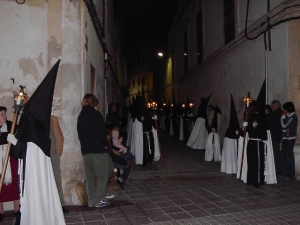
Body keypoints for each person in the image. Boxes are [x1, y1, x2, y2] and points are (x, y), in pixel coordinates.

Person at [7, 60, 66, 224]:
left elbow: (25, 150)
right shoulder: (37, 127)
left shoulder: (33, 129)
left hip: (33, 176)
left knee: (36, 197)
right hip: (30, 173)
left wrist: (15, 142)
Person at [77, 94, 113, 208]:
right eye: (97, 103)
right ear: (94, 103)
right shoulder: (95, 115)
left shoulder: (81, 116)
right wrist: (105, 145)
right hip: (97, 150)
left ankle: (92, 199)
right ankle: (99, 200)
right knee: (102, 174)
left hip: (86, 151)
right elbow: (102, 133)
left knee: (90, 176)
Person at [0, 106, 20, 224]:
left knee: (13, 186)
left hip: (10, 160)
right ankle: (1, 211)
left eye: (4, 114)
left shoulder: (11, 125)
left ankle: (17, 210)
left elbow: (17, 138)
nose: (4, 116)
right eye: (2, 114)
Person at [50, 115, 69, 214]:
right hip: (41, 156)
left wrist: (58, 150)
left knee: (57, 179)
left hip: (53, 154)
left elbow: (59, 135)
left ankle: (60, 204)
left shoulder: (53, 119)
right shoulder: (36, 120)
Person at [106, 124, 133, 190]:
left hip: (115, 157)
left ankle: (121, 178)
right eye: (110, 134)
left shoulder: (109, 142)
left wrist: (117, 152)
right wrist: (125, 163)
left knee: (129, 155)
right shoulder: (105, 144)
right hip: (112, 162)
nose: (111, 136)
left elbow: (113, 151)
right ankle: (121, 178)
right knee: (127, 161)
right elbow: (113, 156)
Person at [280, 101, 298, 181]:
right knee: (283, 157)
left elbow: (284, 126)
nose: (284, 111)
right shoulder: (288, 116)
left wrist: (282, 118)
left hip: (290, 139)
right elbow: (284, 129)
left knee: (289, 158)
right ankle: (285, 174)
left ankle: (291, 176)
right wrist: (285, 130)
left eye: (284, 109)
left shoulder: (293, 117)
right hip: (285, 139)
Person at [267, 100, 283, 175]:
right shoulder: (278, 113)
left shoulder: (277, 114)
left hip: (275, 136)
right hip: (276, 135)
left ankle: (278, 169)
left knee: (275, 152)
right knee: (275, 152)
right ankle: (277, 168)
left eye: (272, 106)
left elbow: (271, 122)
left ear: (275, 106)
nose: (271, 107)